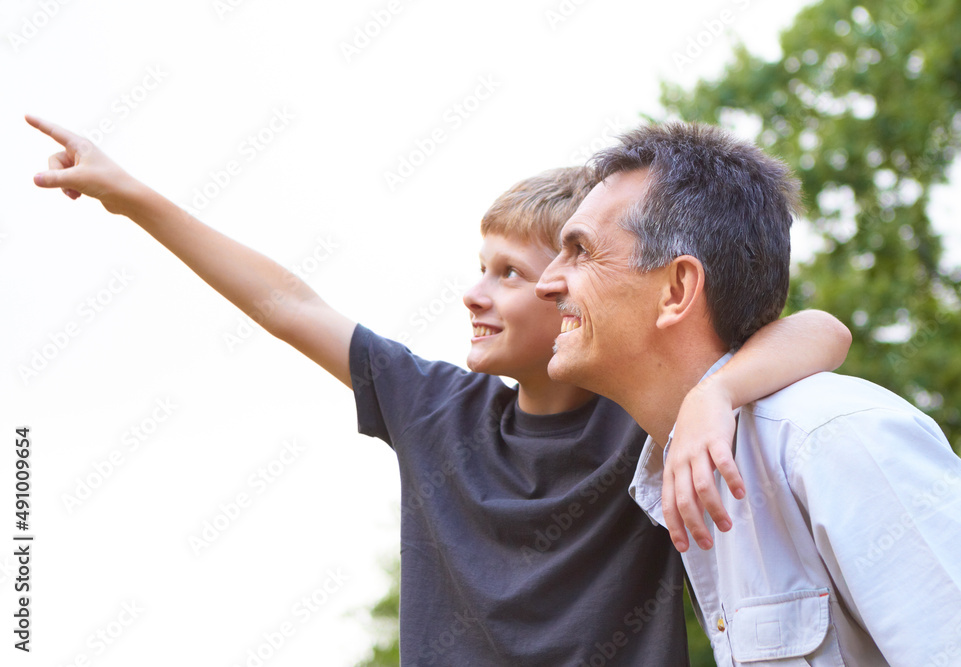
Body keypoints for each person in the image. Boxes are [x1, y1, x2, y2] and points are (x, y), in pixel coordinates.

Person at [26, 115, 850, 665]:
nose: (475, 293)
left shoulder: (641, 420)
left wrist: (715, 393)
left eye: (509, 275)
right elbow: (287, 303)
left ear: (566, 289)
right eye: (478, 266)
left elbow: (825, 332)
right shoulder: (434, 407)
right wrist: (129, 196)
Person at [534, 120, 961, 665]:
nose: (547, 282)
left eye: (580, 250)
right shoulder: (687, 471)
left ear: (677, 289)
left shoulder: (831, 437)